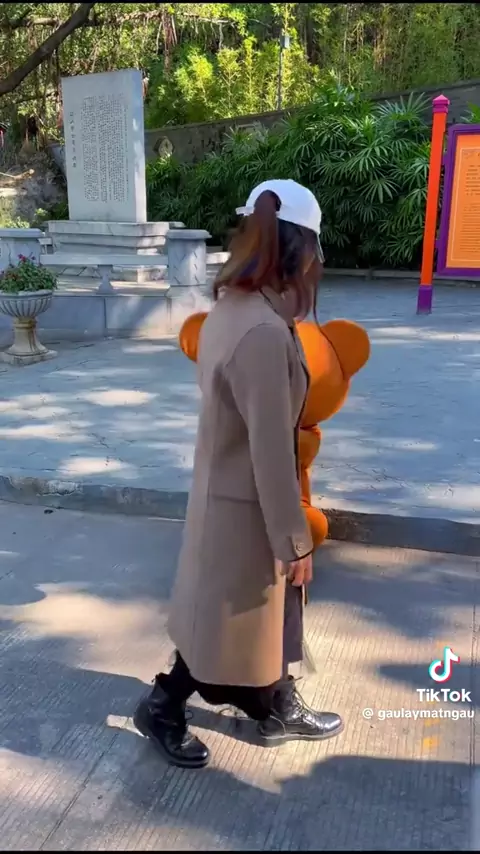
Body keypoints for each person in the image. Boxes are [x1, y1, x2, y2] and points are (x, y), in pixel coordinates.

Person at [134, 178, 343, 769]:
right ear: (301, 249)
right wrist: (294, 539)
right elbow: (270, 451)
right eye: (317, 250)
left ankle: (275, 701)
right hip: (246, 505)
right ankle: (164, 707)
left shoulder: (235, 308)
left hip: (227, 494)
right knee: (222, 630)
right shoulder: (262, 331)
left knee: (251, 620)